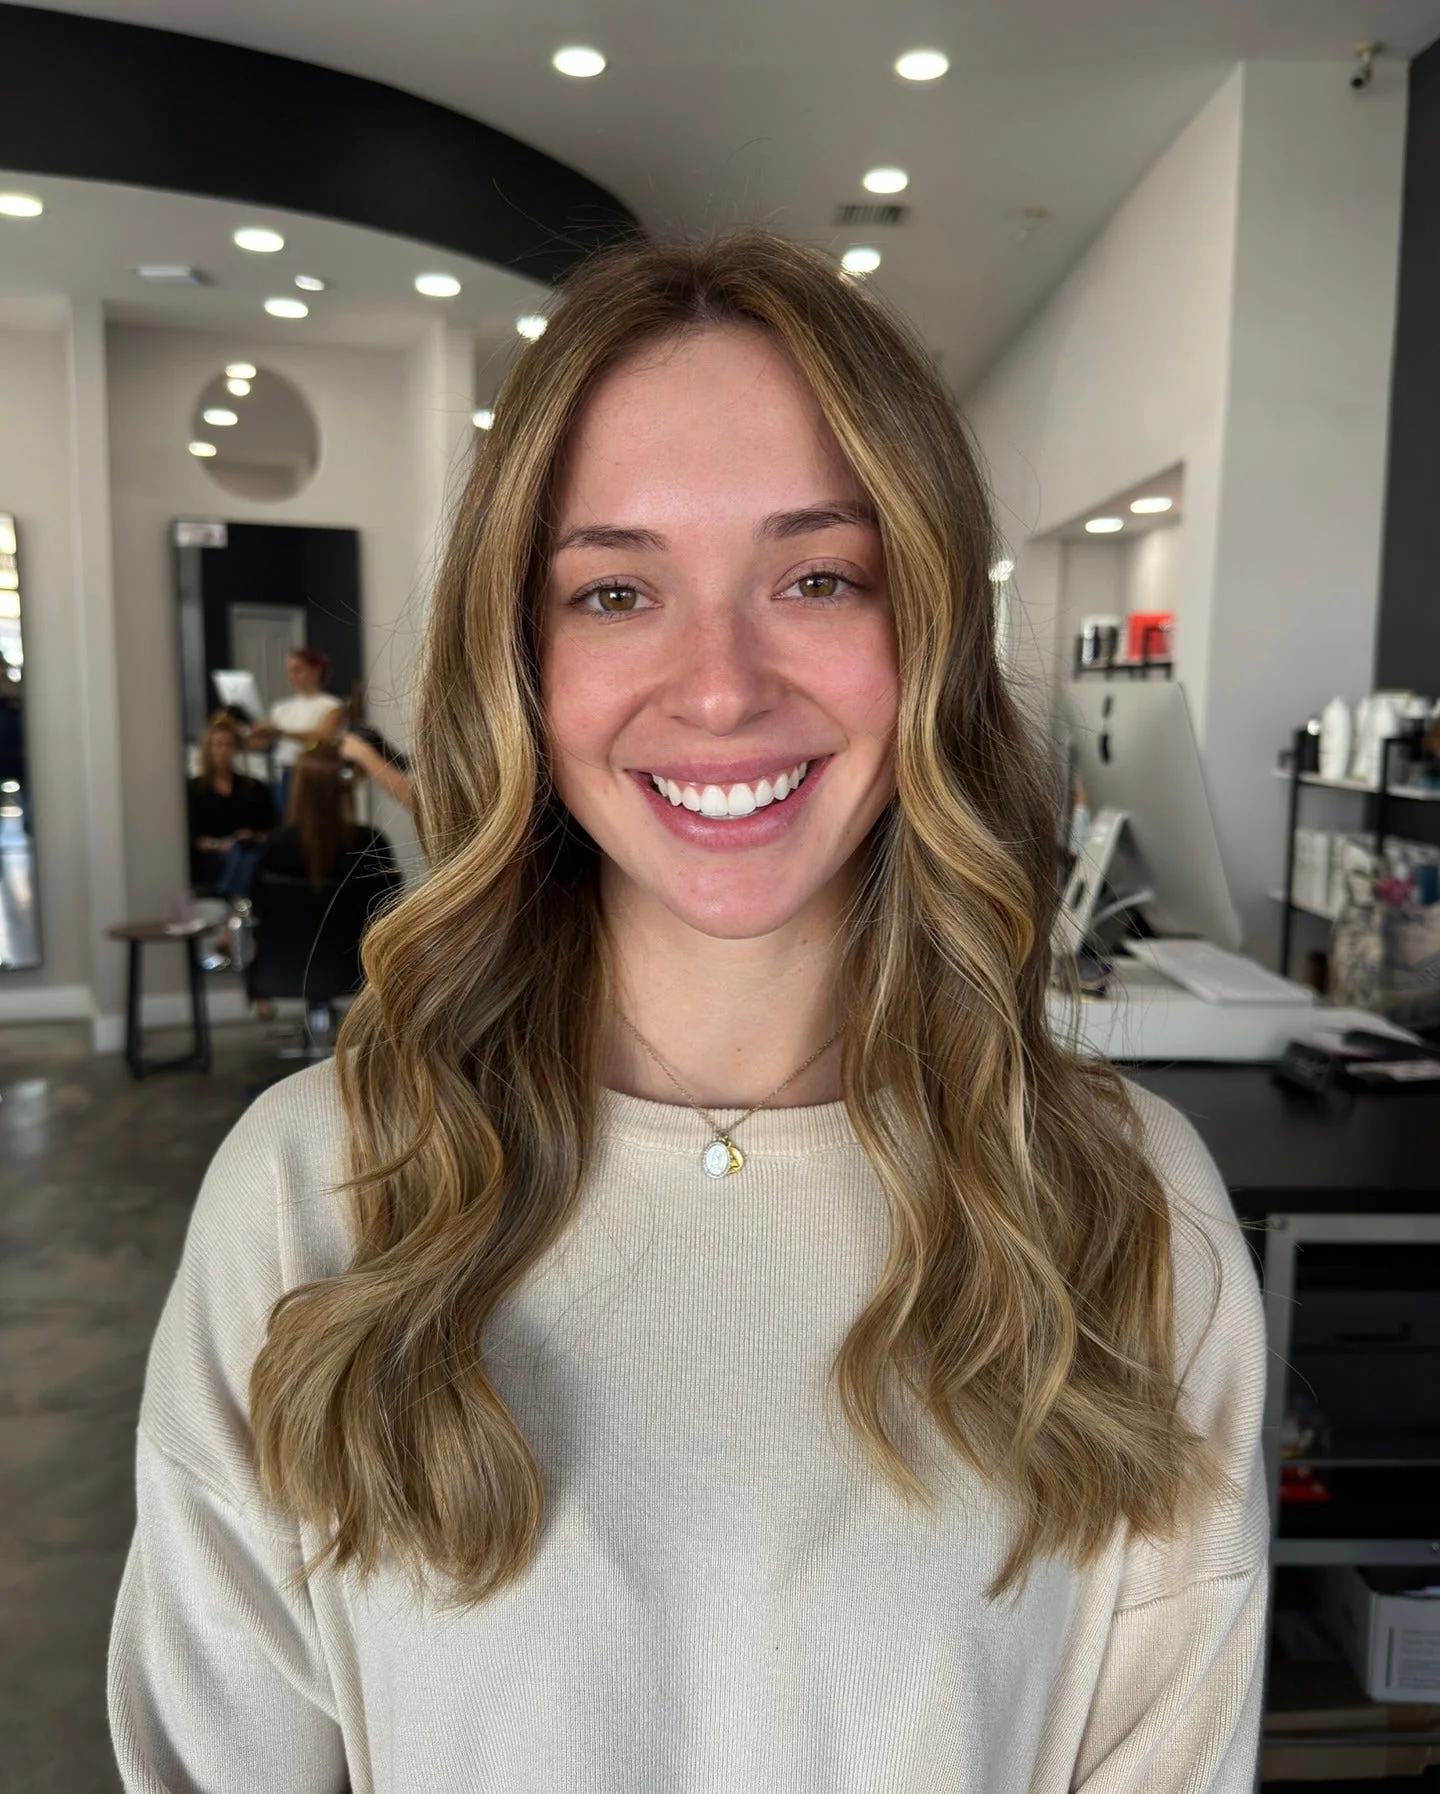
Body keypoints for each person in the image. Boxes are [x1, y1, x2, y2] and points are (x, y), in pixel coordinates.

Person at [110, 232, 1268, 1793]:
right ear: (521, 663)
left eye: (816, 576)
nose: (719, 687)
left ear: (928, 628)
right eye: (615, 589)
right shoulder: (311, 1189)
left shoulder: (1130, 1208)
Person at [185, 710, 276, 897]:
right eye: (218, 745)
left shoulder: (255, 788)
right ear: (208, 749)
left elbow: (272, 830)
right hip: (211, 858)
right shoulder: (193, 789)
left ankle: (230, 899)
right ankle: (231, 899)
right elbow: (192, 837)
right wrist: (219, 845)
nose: (223, 751)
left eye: (229, 745)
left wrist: (252, 837)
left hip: (248, 851)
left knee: (246, 857)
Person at [246, 647, 346, 815]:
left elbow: (324, 736)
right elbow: (264, 740)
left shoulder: (331, 705)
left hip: (314, 774)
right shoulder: (281, 708)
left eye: (298, 670)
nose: (292, 675)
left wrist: (281, 732)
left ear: (316, 671)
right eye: (290, 671)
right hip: (286, 772)